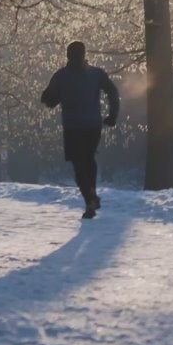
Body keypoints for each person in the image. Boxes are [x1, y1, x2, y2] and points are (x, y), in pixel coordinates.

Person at [40, 41, 119, 219]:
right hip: (93, 125)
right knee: (89, 159)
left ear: (68, 56)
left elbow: (50, 100)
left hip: (73, 126)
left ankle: (90, 198)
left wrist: (47, 98)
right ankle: (92, 194)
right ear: (84, 55)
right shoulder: (96, 74)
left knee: (78, 165)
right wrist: (113, 114)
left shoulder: (61, 76)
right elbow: (112, 91)